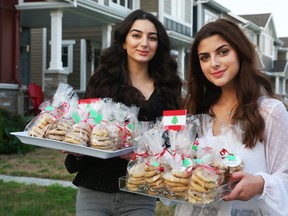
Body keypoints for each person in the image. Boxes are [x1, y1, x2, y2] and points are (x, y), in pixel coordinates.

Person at [64, 9, 182, 216]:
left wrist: (142, 155)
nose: (144, 43)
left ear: (158, 45)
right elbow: (86, 129)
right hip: (95, 191)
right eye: (136, 35)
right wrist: (77, 149)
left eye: (152, 38)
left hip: (140, 193)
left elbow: (175, 140)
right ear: (123, 42)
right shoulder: (101, 82)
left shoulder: (170, 88)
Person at [175, 19, 288, 216]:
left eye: (223, 52)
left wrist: (260, 183)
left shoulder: (270, 111)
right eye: (204, 57)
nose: (214, 63)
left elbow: (285, 175)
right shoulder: (197, 113)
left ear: (240, 51)